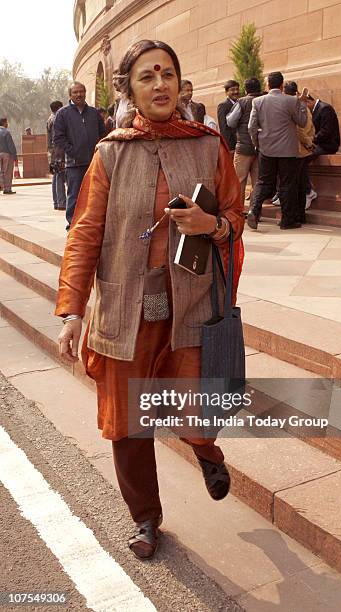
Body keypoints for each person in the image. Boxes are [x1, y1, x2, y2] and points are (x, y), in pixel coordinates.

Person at [55, 38, 244, 561]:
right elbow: (86, 232)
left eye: (167, 74)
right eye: (147, 76)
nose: (159, 84)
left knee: (193, 404)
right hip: (124, 308)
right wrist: (72, 309)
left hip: (191, 303)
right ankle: (145, 518)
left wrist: (214, 226)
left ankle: (205, 449)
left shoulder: (208, 145)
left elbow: (234, 215)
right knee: (130, 422)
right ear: (129, 90)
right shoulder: (110, 152)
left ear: (179, 84)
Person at [248, 71, 308, 230]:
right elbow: (302, 122)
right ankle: (287, 220)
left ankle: (254, 210)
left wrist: (257, 143)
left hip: (266, 148)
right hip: (287, 150)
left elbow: (251, 127)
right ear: (282, 85)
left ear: (267, 85)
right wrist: (301, 103)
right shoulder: (291, 100)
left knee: (263, 182)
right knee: (287, 184)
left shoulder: (258, 101)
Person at [53, 82, 105, 230]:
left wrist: (98, 150)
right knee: (74, 195)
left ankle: (92, 223)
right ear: (70, 95)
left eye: (81, 91)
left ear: (85, 92)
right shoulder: (63, 114)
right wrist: (73, 151)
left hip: (93, 161)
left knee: (94, 194)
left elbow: (103, 134)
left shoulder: (94, 113)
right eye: (75, 92)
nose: (78, 95)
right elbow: (58, 138)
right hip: (74, 163)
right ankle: (72, 224)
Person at [226, 77, 262, 205]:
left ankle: (238, 210)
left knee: (239, 180)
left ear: (246, 89)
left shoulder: (242, 102)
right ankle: (255, 210)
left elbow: (230, 122)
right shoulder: (264, 100)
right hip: (261, 148)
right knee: (258, 181)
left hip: (244, 147)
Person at [283, 82, 315, 224]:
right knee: (300, 185)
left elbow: (298, 129)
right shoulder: (302, 106)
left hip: (296, 150)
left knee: (293, 185)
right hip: (304, 150)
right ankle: (300, 215)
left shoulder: (292, 107)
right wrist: (310, 143)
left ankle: (295, 216)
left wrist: (307, 142)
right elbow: (310, 127)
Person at [304, 94, 341, 209]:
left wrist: (311, 140)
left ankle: (308, 192)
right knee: (299, 157)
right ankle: (306, 190)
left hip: (328, 145)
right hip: (317, 144)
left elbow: (326, 131)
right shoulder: (315, 110)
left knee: (303, 158)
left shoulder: (325, 108)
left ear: (308, 101)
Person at [47, 100, 66, 211]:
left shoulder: (50, 118)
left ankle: (57, 201)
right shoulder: (57, 119)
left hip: (53, 150)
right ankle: (61, 202)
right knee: (60, 175)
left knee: (56, 175)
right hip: (59, 150)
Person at [217, 80, 240, 156]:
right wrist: (229, 147)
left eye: (237, 89)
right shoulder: (223, 106)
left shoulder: (240, 103)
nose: (236, 92)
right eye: (232, 90)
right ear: (226, 92)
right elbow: (223, 128)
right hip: (231, 146)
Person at [0, 117, 17, 195]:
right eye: (7, 122)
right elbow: (10, 145)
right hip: (7, 153)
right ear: (4, 123)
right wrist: (14, 155)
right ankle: (7, 189)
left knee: (0, 172)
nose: (7, 124)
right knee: (7, 172)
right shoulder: (6, 132)